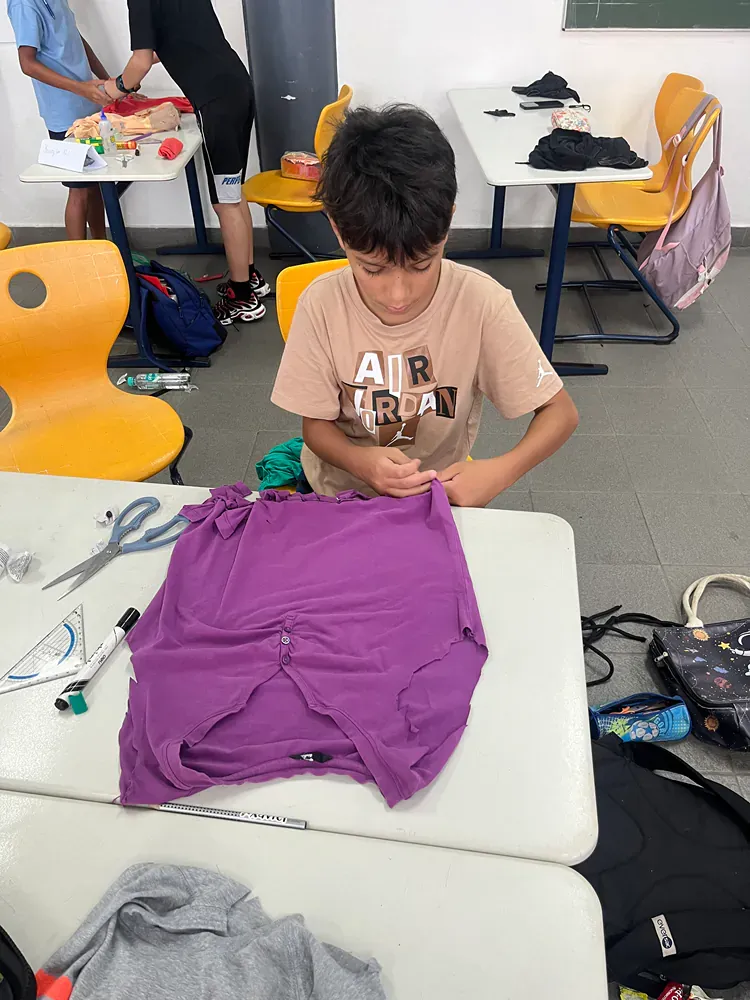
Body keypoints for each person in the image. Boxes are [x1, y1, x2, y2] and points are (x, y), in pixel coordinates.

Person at [271, 105, 579, 507]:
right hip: (338, 497)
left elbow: (560, 413)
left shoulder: (480, 303)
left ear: (447, 224)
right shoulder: (321, 304)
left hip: (434, 500)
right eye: (372, 269)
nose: (398, 295)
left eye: (421, 264)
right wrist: (360, 462)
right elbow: (315, 427)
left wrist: (499, 471)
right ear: (336, 228)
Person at [106, 0, 269, 326]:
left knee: (226, 202)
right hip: (236, 87)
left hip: (217, 101)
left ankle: (241, 297)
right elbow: (164, 47)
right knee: (233, 195)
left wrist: (118, 87)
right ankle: (249, 279)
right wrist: (129, 78)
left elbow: (141, 59)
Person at [8, 0, 109, 240]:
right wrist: (80, 88)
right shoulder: (24, 5)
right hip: (64, 112)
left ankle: (101, 248)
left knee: (95, 185)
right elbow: (28, 64)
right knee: (79, 190)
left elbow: (76, 40)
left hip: (87, 104)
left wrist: (108, 82)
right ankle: (77, 262)